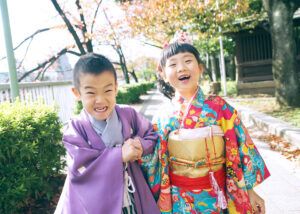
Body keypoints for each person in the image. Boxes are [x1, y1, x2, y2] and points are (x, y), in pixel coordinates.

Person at [140, 32, 270, 214]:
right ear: (162, 73)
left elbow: (240, 147)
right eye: (173, 64)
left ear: (200, 68)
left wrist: (249, 190)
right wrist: (137, 150)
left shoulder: (219, 107)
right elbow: (155, 161)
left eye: (188, 61)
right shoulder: (162, 117)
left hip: (217, 195)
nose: (181, 68)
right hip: (179, 199)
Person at [55, 53, 160, 214]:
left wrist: (139, 146)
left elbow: (150, 135)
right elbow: (80, 166)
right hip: (95, 201)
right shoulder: (76, 127)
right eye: (91, 93)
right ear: (76, 93)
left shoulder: (128, 114)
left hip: (131, 189)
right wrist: (119, 155)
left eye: (107, 90)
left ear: (116, 88)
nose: (101, 100)